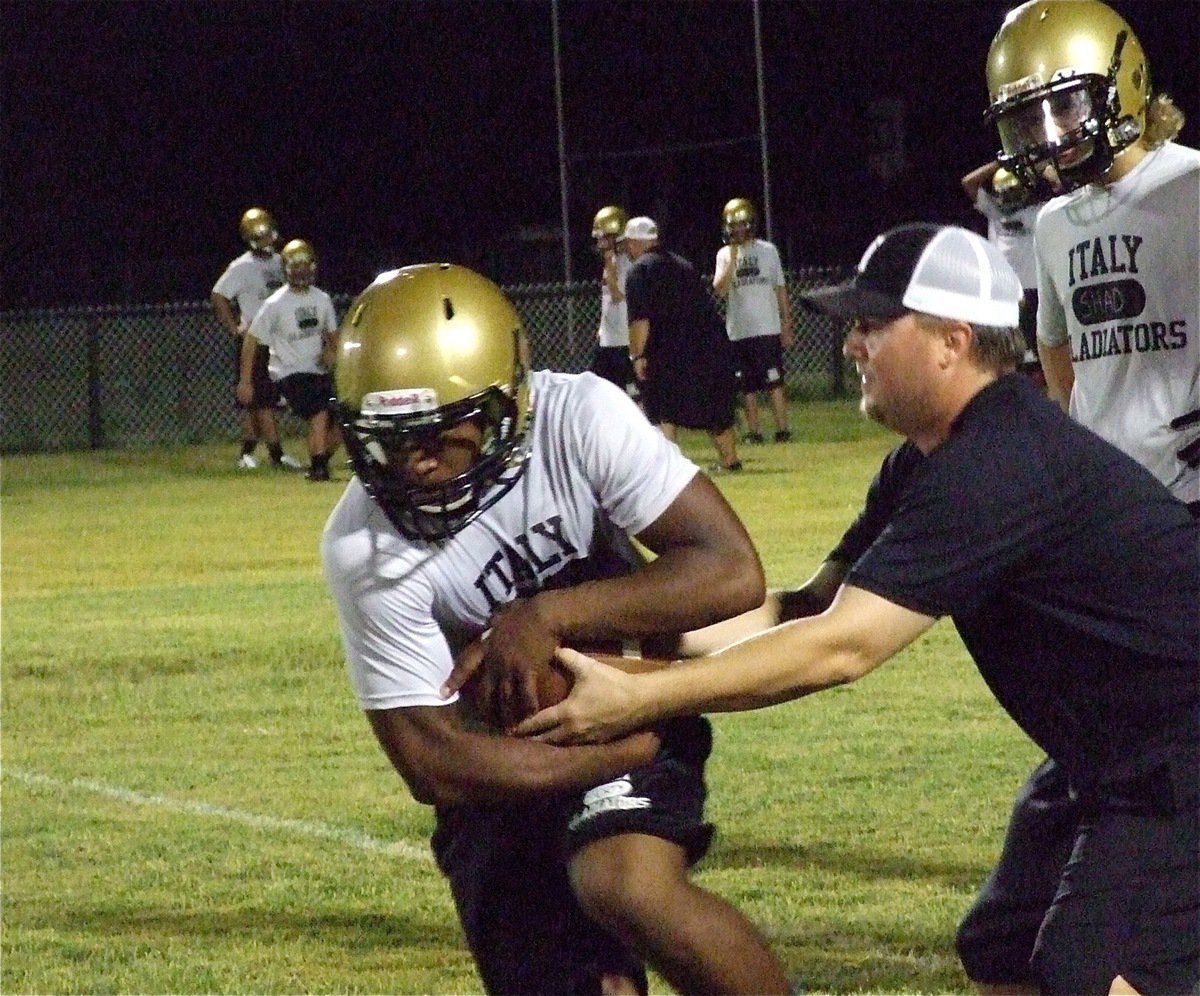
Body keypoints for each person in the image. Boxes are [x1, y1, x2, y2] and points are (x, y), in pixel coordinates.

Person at [517, 223, 1200, 996]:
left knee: (1089, 974)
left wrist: (642, 696)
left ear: (952, 340)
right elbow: (808, 608)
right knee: (1002, 945)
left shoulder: (1000, 462)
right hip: (1109, 751)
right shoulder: (928, 460)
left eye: (873, 325)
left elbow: (843, 647)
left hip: (1173, 755)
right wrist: (618, 647)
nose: (850, 346)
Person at [321, 262, 791, 995]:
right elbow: (432, 761)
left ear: (506, 400)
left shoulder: (579, 419)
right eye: (386, 438)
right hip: (500, 768)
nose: (412, 464)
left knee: (628, 886)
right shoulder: (361, 543)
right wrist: (610, 753)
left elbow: (729, 570)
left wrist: (548, 615)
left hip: (623, 693)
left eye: (438, 433)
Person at [984, 0, 1199, 512]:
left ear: (1122, 82)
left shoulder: (1189, 184)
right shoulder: (1055, 221)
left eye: (1064, 106)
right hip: (1105, 495)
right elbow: (1056, 348)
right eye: (1028, 120)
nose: (1048, 136)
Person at [623, 216, 743, 473]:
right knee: (715, 407)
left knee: (662, 409)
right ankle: (731, 461)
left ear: (635, 243)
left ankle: (667, 468)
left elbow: (640, 321)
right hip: (707, 344)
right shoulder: (683, 265)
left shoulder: (639, 271)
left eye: (628, 244)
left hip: (667, 350)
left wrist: (637, 356)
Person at [238, 239, 341, 482]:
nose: (301, 271)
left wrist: (333, 353)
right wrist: (245, 381)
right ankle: (318, 466)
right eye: (295, 266)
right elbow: (251, 341)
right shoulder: (275, 304)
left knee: (346, 417)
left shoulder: (322, 299)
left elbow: (334, 337)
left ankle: (320, 461)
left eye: (305, 265)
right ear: (285, 269)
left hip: (317, 371)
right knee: (320, 408)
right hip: (289, 373)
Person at [211, 207, 302, 471]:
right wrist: (234, 326)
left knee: (259, 400)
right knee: (263, 400)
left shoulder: (279, 262)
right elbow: (219, 295)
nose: (268, 240)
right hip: (256, 339)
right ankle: (277, 455)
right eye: (261, 236)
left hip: (279, 340)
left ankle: (247, 452)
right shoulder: (242, 267)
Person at [712, 198, 795, 443]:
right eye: (733, 226)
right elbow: (720, 289)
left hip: (766, 327)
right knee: (746, 386)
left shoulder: (767, 251)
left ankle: (782, 429)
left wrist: (786, 322)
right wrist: (733, 258)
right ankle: (754, 431)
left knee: (774, 381)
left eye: (742, 225)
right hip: (738, 330)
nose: (738, 230)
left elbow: (779, 287)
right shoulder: (724, 254)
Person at [959, 163, 1043, 382]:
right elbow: (969, 182)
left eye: (1014, 189)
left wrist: (1029, 162)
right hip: (1005, 293)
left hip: (1037, 291)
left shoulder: (1039, 210)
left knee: (1040, 355)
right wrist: (1003, 162)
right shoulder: (994, 210)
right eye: (1006, 190)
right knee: (1008, 357)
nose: (1010, 195)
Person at [589, 205, 638, 402]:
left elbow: (618, 295)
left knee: (628, 393)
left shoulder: (627, 263)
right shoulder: (612, 262)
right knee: (598, 387)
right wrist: (601, 327)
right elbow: (608, 299)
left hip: (623, 339)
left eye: (605, 237)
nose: (601, 243)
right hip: (609, 338)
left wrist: (610, 264)